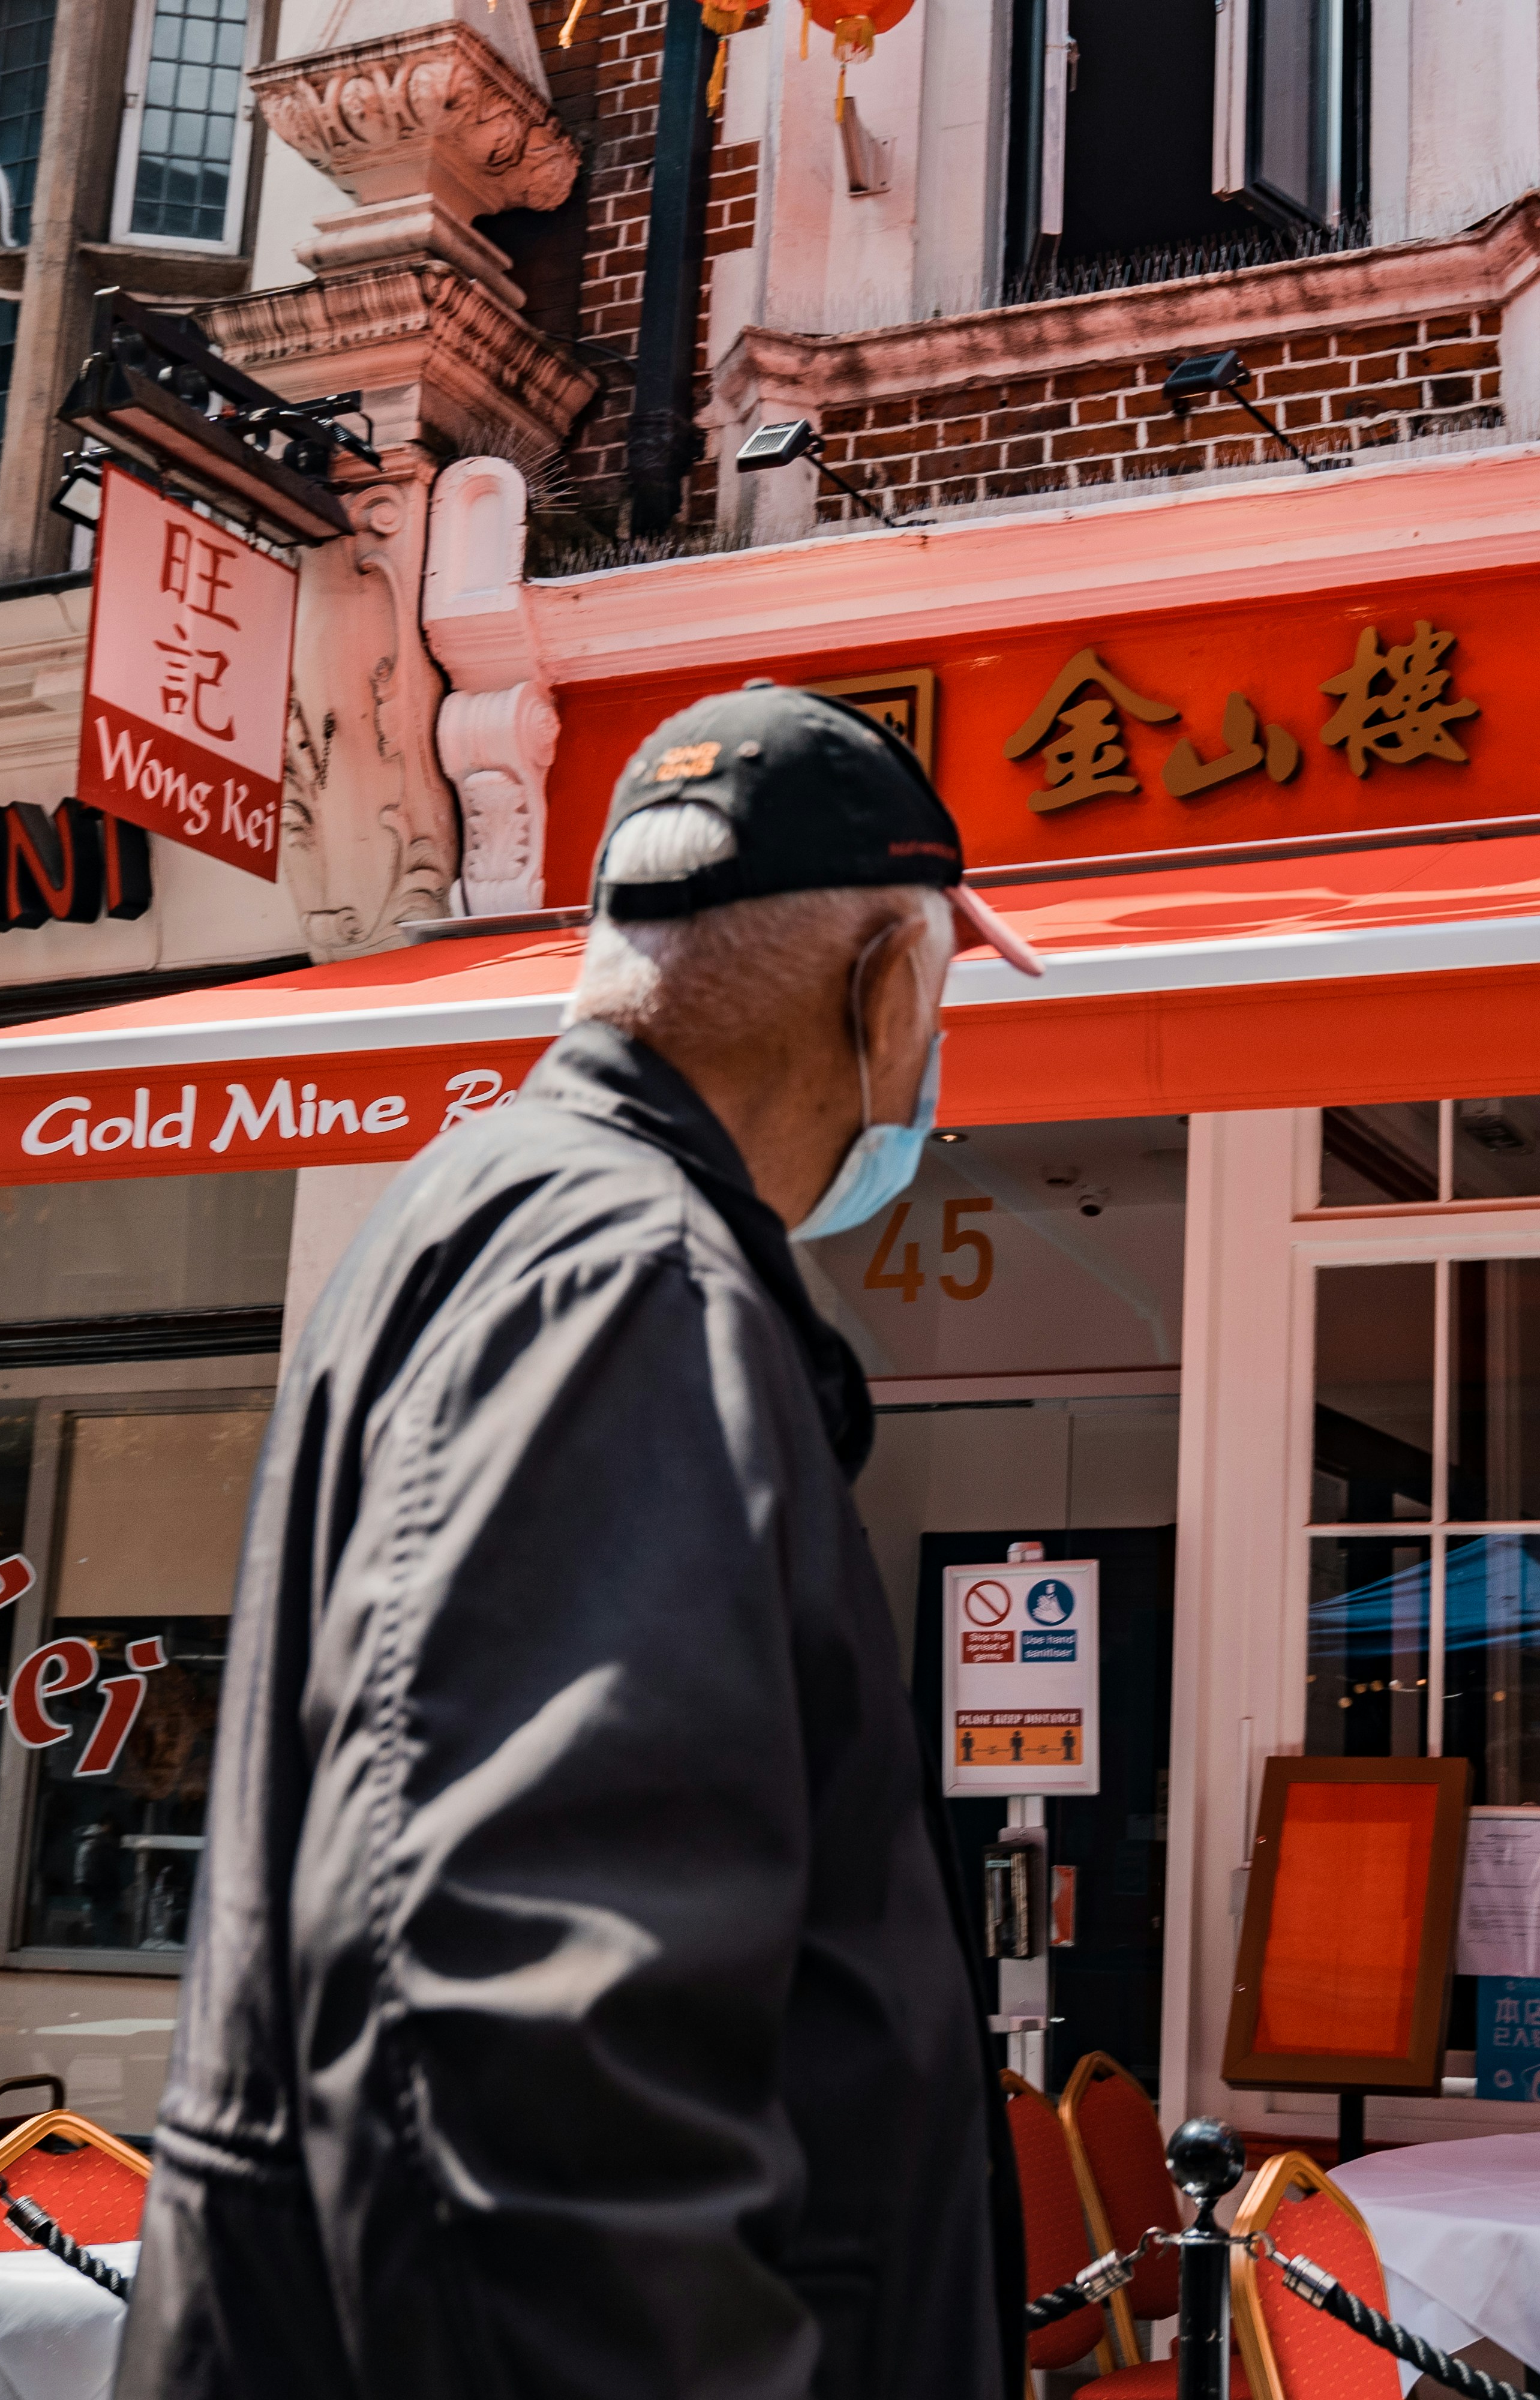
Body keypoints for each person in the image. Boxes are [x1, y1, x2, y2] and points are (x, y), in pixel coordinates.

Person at [116, 684, 1041, 2400]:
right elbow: (525, 2036)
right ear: (888, 987)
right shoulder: (620, 1276)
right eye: (949, 991)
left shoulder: (517, 1223)